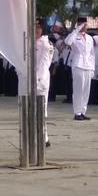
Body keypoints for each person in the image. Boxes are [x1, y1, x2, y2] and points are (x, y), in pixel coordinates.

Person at [64, 17, 95, 121]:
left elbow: (92, 54)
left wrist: (93, 68)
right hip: (78, 64)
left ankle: (83, 111)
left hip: (88, 65)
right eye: (82, 24)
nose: (84, 27)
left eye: (85, 25)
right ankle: (77, 112)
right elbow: (67, 42)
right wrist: (76, 30)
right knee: (78, 89)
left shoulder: (90, 38)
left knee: (86, 90)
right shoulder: (74, 36)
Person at [35, 19, 54, 147]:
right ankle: (42, 137)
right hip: (30, 79)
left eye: (38, 27)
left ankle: (44, 137)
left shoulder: (45, 44)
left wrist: (39, 80)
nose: (36, 30)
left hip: (40, 81)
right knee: (32, 110)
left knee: (41, 110)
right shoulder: (31, 41)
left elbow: (44, 64)